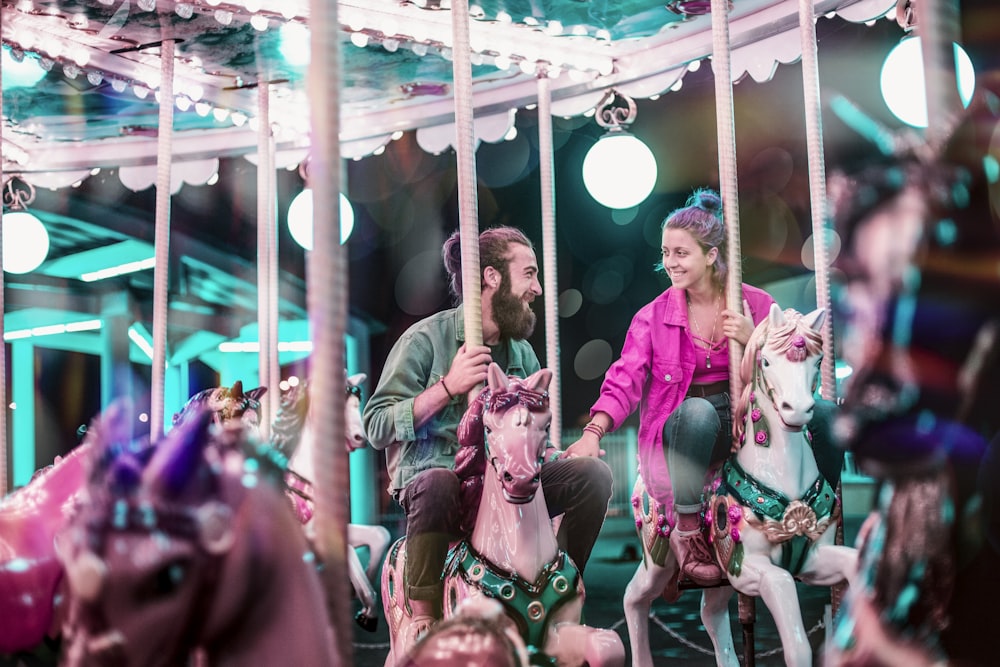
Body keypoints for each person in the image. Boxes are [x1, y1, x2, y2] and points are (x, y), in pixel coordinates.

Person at [564, 188, 840, 586]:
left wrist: (752, 336)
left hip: (749, 417)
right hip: (689, 428)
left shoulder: (757, 304)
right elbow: (625, 377)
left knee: (829, 415)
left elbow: (795, 355)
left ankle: (821, 510)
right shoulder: (653, 316)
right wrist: (593, 433)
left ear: (711, 255)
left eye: (681, 253)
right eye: (665, 253)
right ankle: (688, 531)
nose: (669, 263)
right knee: (698, 413)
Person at [363, 225, 614, 645]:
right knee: (439, 482)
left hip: (505, 483)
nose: (536, 288)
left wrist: (554, 456)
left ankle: (561, 587)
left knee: (593, 476)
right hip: (441, 480)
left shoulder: (522, 353)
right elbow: (375, 425)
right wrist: (448, 387)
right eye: (529, 274)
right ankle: (422, 615)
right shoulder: (425, 339)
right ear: (492, 277)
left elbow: (533, 439)